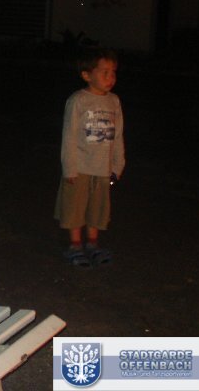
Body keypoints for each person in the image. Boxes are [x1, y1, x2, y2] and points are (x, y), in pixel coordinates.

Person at [56, 47, 125, 267]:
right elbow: (69, 135)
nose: (110, 77)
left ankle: (93, 244)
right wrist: (69, 168)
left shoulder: (114, 101)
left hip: (102, 168)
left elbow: (118, 135)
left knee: (98, 207)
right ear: (87, 75)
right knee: (75, 207)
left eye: (113, 72)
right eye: (104, 72)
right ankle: (75, 245)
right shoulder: (78, 100)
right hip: (80, 166)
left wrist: (117, 165)